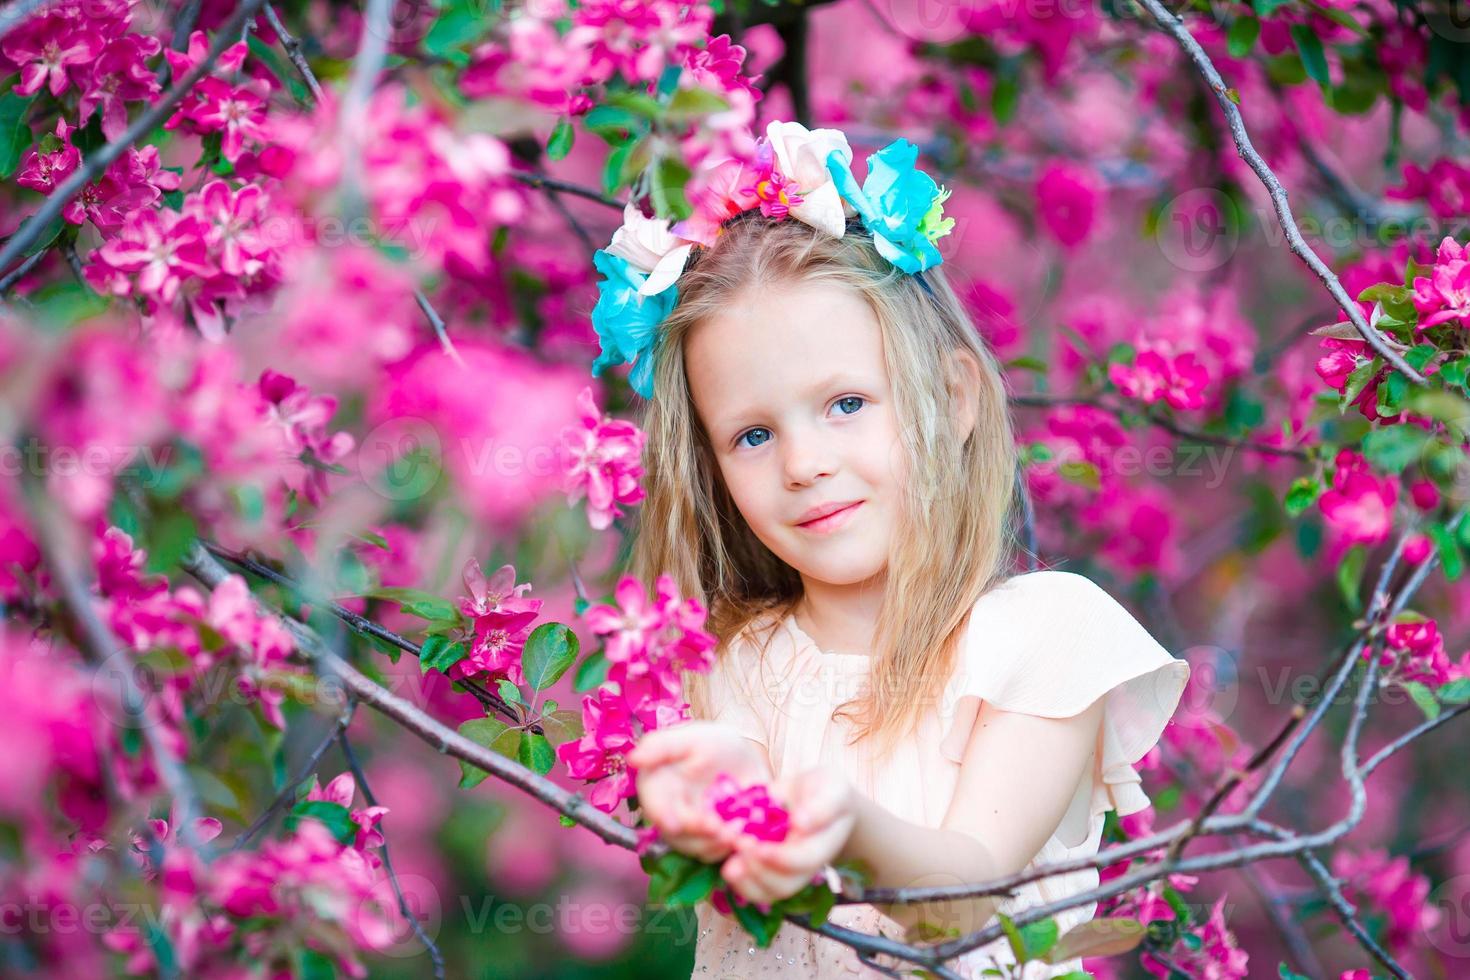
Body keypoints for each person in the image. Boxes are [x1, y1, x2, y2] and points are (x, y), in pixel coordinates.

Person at [589, 120, 1191, 977]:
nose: (805, 465)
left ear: (950, 401)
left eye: (845, 405)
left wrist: (846, 821)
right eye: (753, 435)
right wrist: (716, 783)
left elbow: (971, 893)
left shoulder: (1044, 641)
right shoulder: (725, 661)